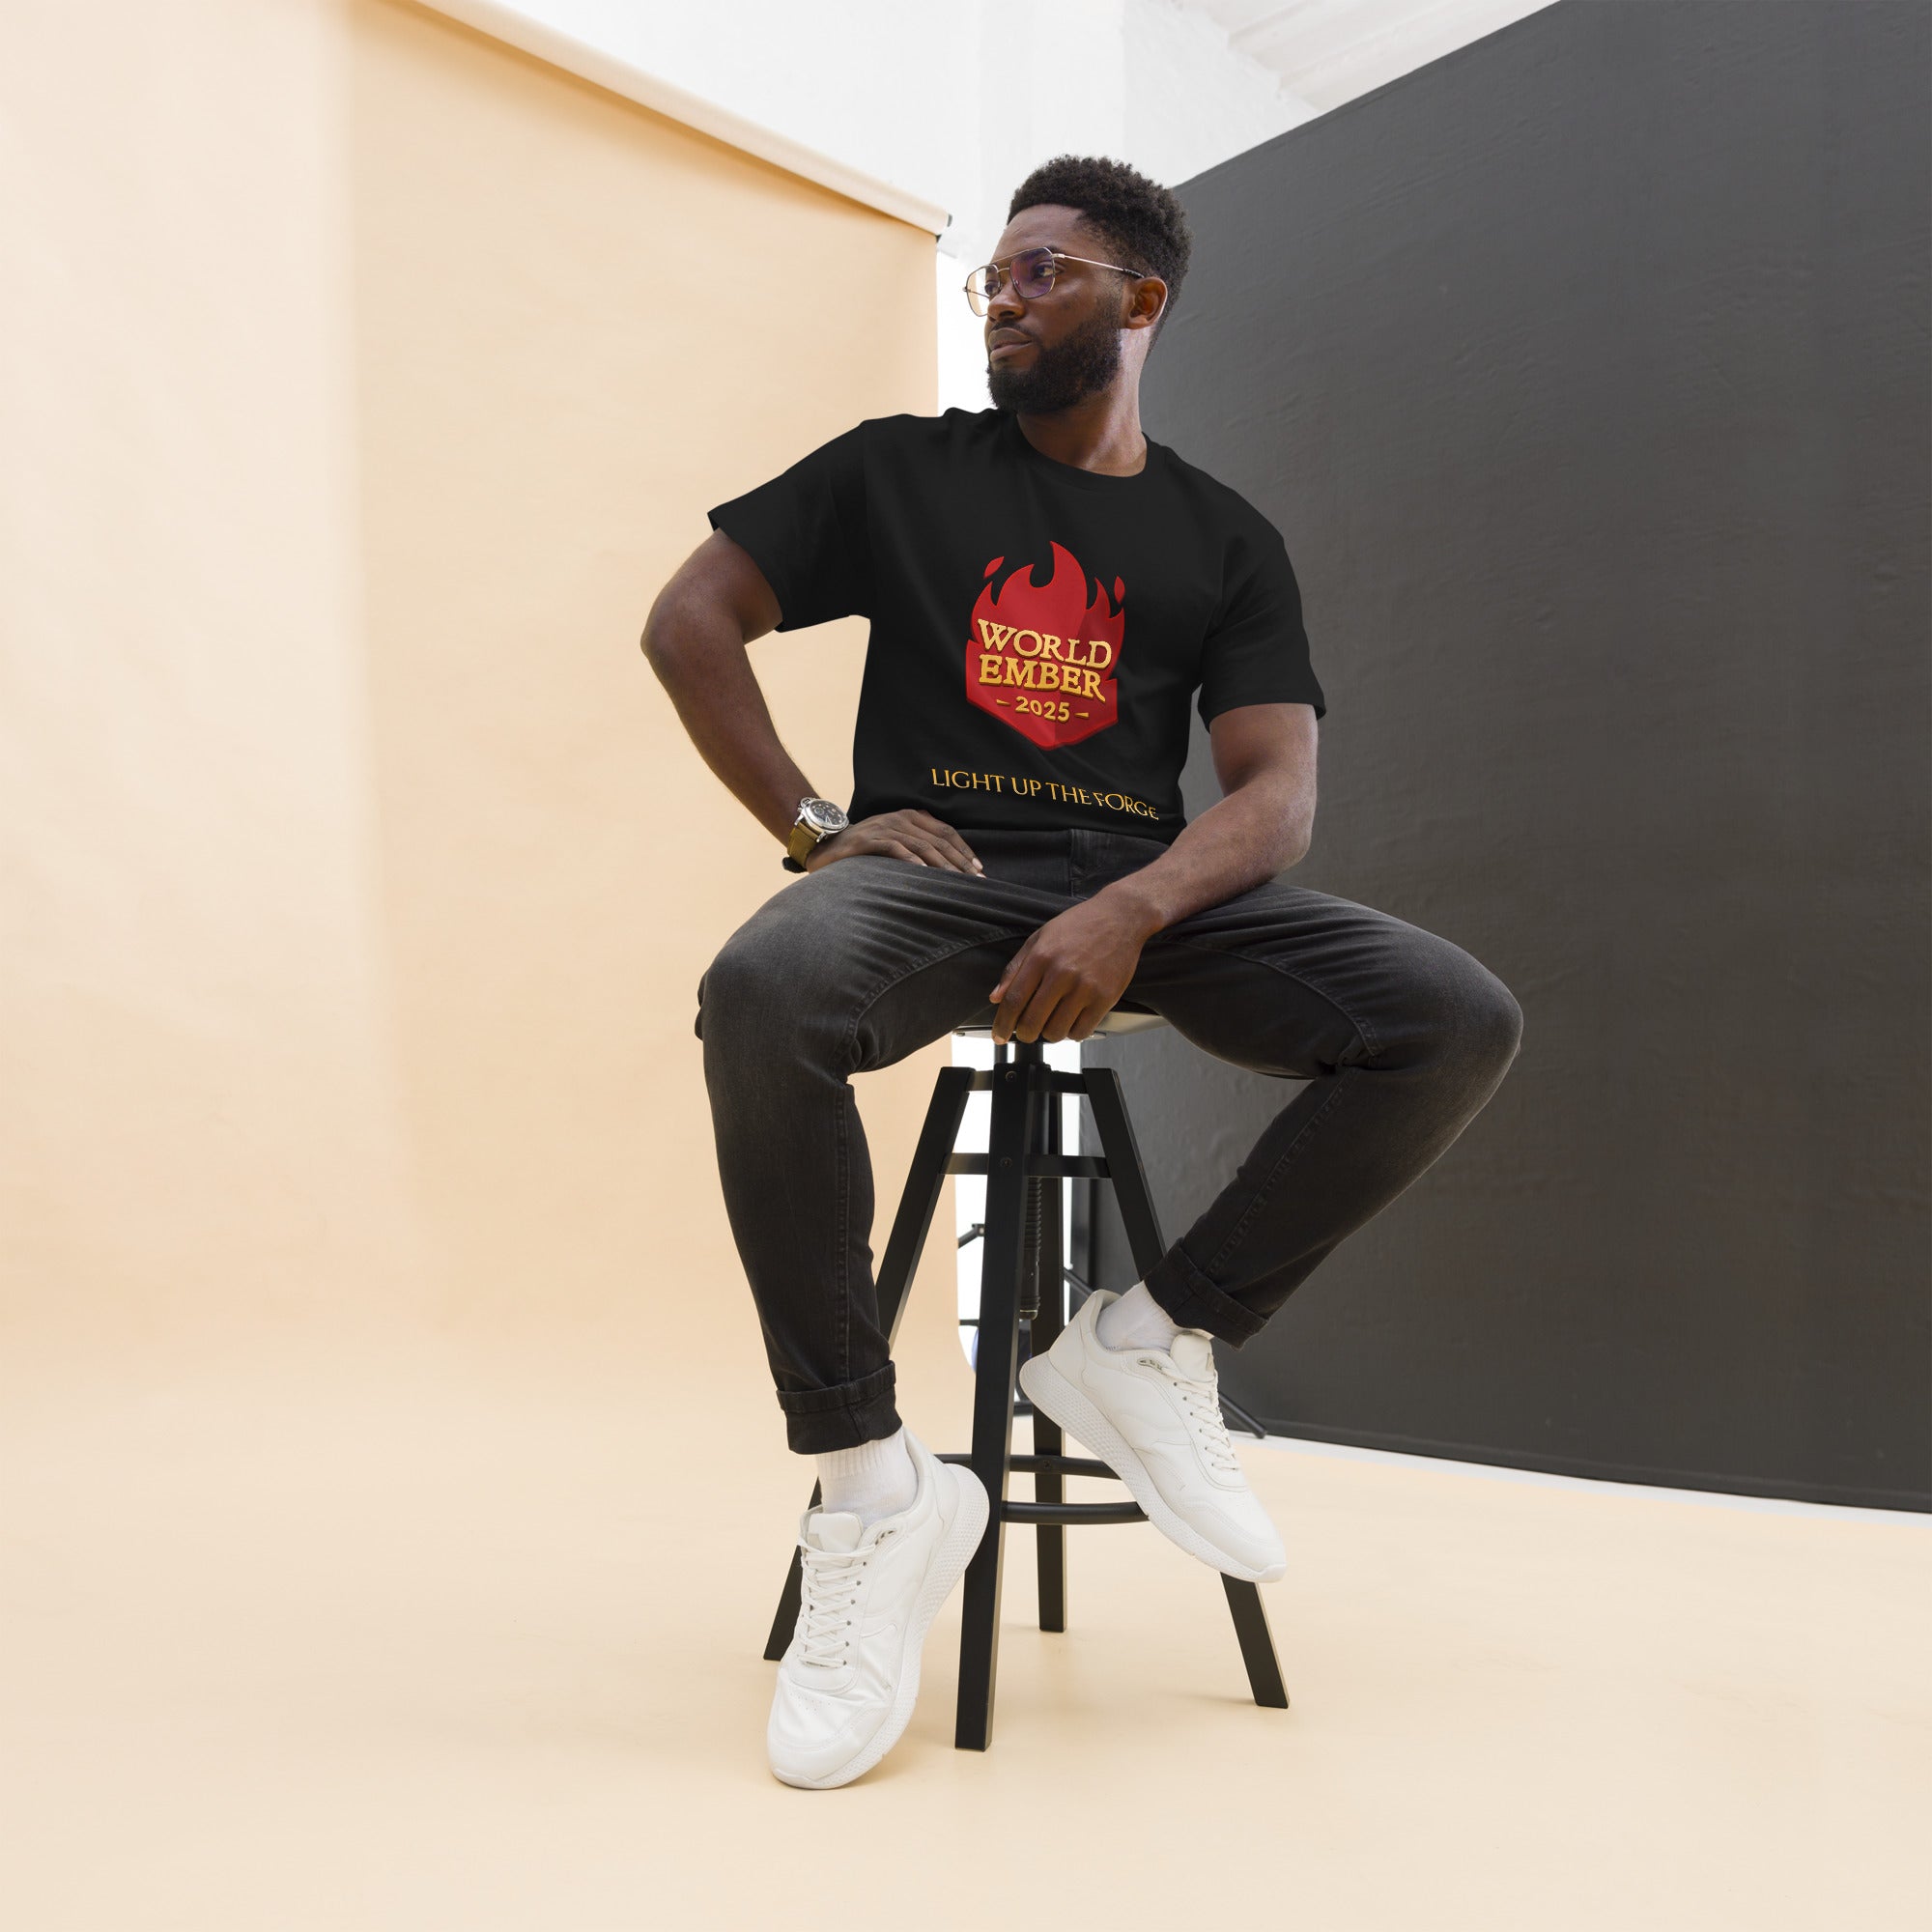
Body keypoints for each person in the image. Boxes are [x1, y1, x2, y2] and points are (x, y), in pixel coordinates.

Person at [641, 155, 1523, 1789]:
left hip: (1143, 893)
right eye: (993, 276)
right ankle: (874, 1488)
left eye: (1042, 272)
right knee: (761, 993)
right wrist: (819, 828)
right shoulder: (901, 471)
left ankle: (1147, 1339)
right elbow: (689, 618)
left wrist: (1134, 908)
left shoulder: (1223, 537)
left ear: (1141, 300)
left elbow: (1275, 796)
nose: (1005, 298)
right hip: (939, 882)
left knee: (1452, 1017)